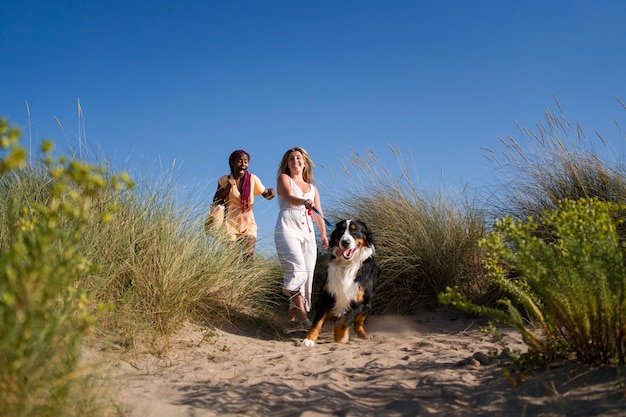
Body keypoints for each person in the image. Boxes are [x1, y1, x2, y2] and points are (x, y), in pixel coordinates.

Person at [274, 146, 329, 327]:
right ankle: (304, 318)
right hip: (287, 227)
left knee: (307, 274)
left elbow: (317, 213)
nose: (295, 161)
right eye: (291, 158)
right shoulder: (284, 179)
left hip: (308, 233)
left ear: (304, 163)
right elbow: (290, 198)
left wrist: (323, 234)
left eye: (298, 158)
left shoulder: (312, 188)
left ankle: (290, 317)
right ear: (287, 163)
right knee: (297, 270)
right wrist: (304, 202)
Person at [209, 149, 275, 259]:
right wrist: (227, 188)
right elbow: (216, 201)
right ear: (232, 163)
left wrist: (271, 193)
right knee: (234, 260)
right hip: (230, 225)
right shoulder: (225, 180)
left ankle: (250, 276)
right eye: (240, 161)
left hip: (248, 224)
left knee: (248, 255)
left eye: (246, 162)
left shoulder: (252, 179)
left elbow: (266, 195)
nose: (243, 165)